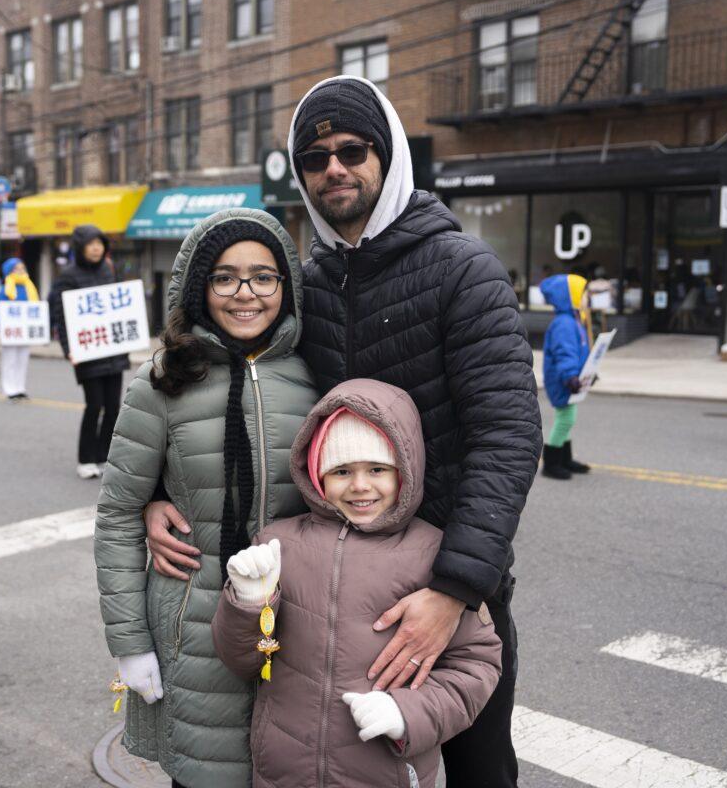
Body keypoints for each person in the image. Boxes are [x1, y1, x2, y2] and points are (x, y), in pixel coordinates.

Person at [144, 76, 540, 787]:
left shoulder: (462, 269)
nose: (334, 168)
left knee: (479, 767)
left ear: (386, 158)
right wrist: (157, 490)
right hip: (334, 585)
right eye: (315, 157)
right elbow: (244, 387)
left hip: (446, 582)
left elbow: (507, 435)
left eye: (353, 150)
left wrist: (452, 590)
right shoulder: (313, 281)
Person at [94, 209, 317, 788]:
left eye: (264, 277)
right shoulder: (161, 380)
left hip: (302, 626)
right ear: (200, 286)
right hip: (193, 631)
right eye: (225, 277)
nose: (246, 293)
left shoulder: (317, 371)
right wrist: (129, 643)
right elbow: (118, 512)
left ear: (285, 286)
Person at [211, 379, 502, 788]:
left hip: (387, 772)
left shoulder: (436, 555)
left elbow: (476, 664)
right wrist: (248, 602)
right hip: (283, 771)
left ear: (405, 470)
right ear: (316, 475)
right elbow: (243, 661)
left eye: (378, 469)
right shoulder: (279, 545)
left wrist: (408, 714)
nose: (361, 485)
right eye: (342, 470)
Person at [49, 225, 131, 479]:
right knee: (94, 405)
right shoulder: (68, 276)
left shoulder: (109, 269)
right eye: (91, 244)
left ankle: (103, 456)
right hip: (87, 351)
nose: (96, 248)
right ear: (80, 247)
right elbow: (61, 317)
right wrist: (68, 350)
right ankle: (85, 459)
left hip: (113, 350)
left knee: (113, 408)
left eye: (100, 243)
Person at [540, 273, 592, 480]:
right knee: (565, 419)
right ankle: (551, 463)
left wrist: (588, 372)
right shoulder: (564, 323)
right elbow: (564, 353)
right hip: (562, 379)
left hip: (569, 378)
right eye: (584, 294)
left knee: (567, 419)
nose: (587, 298)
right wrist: (571, 376)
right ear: (570, 297)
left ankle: (564, 458)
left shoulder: (572, 320)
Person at [0, 257, 39, 401]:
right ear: (9, 271)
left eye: (22, 267)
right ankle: (10, 389)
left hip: (24, 331)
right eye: (17, 268)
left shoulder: (29, 287)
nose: (21, 270)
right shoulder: (5, 289)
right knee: (10, 360)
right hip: (10, 332)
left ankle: (20, 387)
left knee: (22, 359)